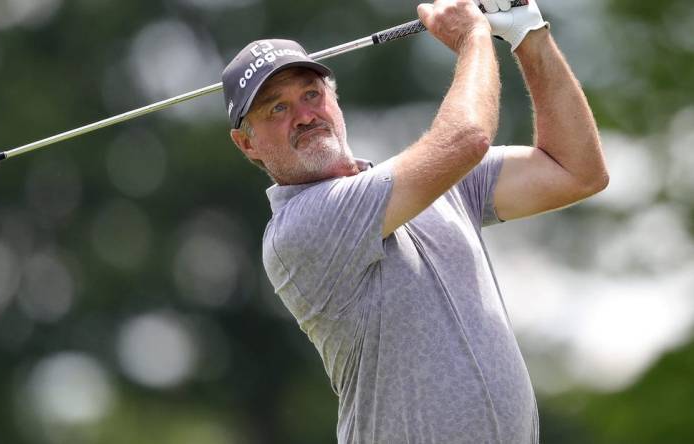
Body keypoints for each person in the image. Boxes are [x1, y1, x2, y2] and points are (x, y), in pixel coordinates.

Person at [221, 1, 608, 443]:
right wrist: (472, 37)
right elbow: (467, 138)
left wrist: (528, 36)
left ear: (334, 98)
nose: (305, 116)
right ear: (246, 144)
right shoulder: (300, 228)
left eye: (311, 95)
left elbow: (576, 171)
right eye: (277, 109)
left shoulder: (434, 185)